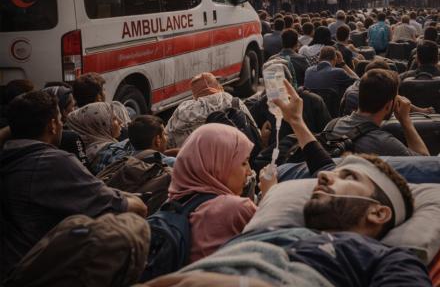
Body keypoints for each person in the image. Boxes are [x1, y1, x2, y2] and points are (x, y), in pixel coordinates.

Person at [144, 79, 427, 287]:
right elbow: (324, 166)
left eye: (349, 176)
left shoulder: (384, 259)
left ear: (378, 212)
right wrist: (296, 121)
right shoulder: (270, 227)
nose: (326, 176)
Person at [0, 91, 146, 277]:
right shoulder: (53, 162)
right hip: (33, 272)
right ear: (52, 125)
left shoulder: (9, 154)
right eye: (60, 120)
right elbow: (129, 207)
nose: (63, 125)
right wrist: (136, 201)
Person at [168, 123, 259, 262]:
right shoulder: (235, 208)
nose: (249, 172)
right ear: (218, 165)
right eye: (243, 163)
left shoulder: (172, 203)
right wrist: (272, 192)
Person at [326, 69, 429, 157]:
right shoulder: (384, 143)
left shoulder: (331, 126)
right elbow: (425, 162)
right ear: (388, 105)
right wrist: (405, 121)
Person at [165, 73, 257, 149]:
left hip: (191, 162)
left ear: (194, 95)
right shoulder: (233, 102)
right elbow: (254, 130)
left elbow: (166, 140)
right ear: (219, 87)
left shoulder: (182, 110)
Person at [65, 101, 124, 173]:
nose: (120, 122)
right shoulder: (112, 152)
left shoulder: (78, 149)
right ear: (99, 125)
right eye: (114, 119)